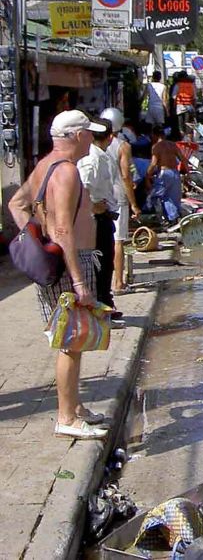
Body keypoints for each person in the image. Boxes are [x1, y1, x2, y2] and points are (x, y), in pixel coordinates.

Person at [9, 110, 109, 440]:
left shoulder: (44, 166)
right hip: (70, 263)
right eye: (89, 134)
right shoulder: (65, 172)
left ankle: (76, 407)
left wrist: (35, 235)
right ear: (76, 136)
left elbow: (16, 204)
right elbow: (64, 229)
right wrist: (80, 281)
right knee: (70, 342)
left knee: (75, 340)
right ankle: (66, 416)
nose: (92, 139)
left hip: (63, 259)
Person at [77, 118, 119, 312]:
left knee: (105, 265)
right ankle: (102, 306)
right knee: (100, 266)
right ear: (110, 137)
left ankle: (105, 304)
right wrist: (93, 207)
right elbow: (83, 186)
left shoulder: (101, 156)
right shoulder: (92, 159)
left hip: (102, 218)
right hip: (95, 221)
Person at [99, 108, 141, 296]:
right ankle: (118, 282)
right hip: (118, 197)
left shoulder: (94, 145)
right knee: (118, 241)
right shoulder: (122, 146)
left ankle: (101, 284)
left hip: (99, 197)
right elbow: (126, 177)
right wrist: (134, 204)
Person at [144, 126, 187, 224]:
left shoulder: (156, 146)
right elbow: (183, 159)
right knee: (174, 198)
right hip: (175, 173)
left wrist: (147, 176)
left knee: (156, 196)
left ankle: (164, 219)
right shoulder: (173, 145)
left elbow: (153, 163)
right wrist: (188, 173)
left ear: (154, 135)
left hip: (164, 173)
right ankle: (175, 218)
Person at [171, 71, 196, 137]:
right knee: (187, 123)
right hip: (189, 106)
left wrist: (174, 107)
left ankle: (182, 136)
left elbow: (174, 97)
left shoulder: (177, 85)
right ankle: (187, 137)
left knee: (180, 124)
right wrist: (194, 108)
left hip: (179, 106)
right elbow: (194, 97)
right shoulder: (191, 85)